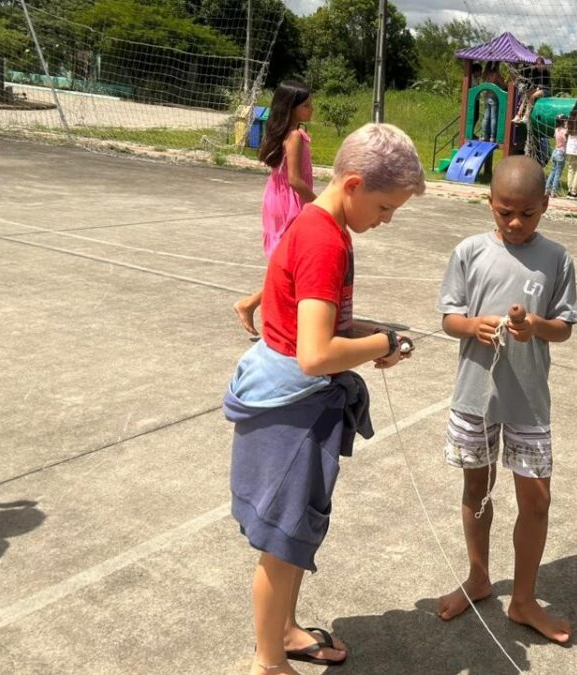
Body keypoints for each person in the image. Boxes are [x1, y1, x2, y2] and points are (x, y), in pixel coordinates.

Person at [225, 123, 427, 675]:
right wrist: (379, 344)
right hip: (292, 408)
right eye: (385, 208)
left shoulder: (324, 226)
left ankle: (285, 631)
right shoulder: (324, 241)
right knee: (284, 538)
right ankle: (269, 663)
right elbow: (315, 353)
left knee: (295, 533)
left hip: (298, 401)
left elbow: (318, 321)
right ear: (355, 184)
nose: (385, 222)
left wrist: (374, 334)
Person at [433, 156, 577, 644]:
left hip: (529, 402)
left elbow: (563, 328)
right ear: (489, 203)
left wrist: (534, 326)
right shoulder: (469, 252)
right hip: (476, 397)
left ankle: (523, 599)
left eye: (527, 214)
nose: (515, 223)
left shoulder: (557, 258)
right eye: (504, 212)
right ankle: (478, 577)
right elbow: (449, 316)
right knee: (477, 490)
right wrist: (473, 325)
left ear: (545, 206)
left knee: (536, 499)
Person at [234, 80, 316, 335]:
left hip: (277, 199)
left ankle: (253, 304)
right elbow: (294, 179)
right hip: (289, 203)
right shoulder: (294, 137)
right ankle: (250, 304)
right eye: (305, 105)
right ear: (290, 108)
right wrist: (318, 203)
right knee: (288, 264)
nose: (311, 109)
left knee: (287, 263)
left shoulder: (282, 132)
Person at [544, 115, 568, 197]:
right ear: (563, 121)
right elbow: (565, 140)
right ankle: (554, 191)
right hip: (561, 152)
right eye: (566, 120)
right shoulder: (564, 131)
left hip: (555, 151)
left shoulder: (556, 130)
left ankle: (547, 189)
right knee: (558, 172)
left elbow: (555, 137)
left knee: (553, 171)